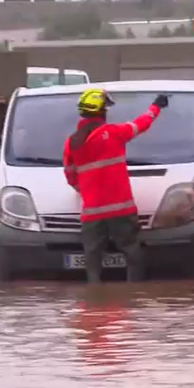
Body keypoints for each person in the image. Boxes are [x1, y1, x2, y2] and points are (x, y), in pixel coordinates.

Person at [63, 89, 167, 283]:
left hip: (91, 214)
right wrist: (156, 107)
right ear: (102, 111)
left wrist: (86, 191)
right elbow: (141, 124)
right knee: (133, 254)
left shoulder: (71, 143)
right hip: (122, 211)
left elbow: (70, 176)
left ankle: (95, 299)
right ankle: (133, 294)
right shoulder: (114, 133)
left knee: (92, 262)